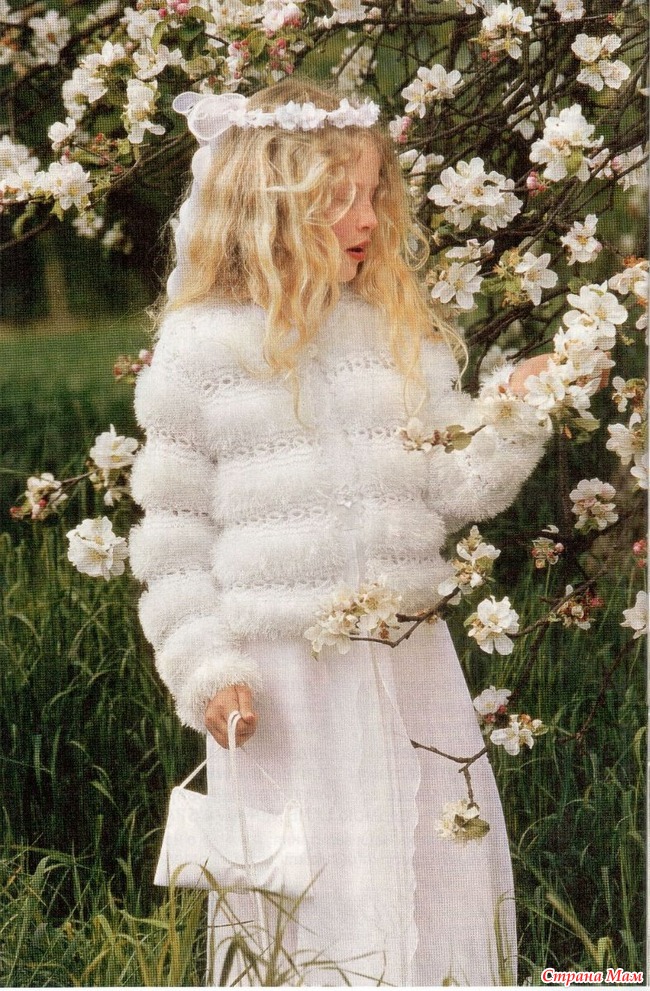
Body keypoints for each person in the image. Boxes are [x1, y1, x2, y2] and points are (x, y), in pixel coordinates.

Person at [129, 77, 553, 987]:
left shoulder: (395, 337)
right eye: (339, 197)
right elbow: (172, 540)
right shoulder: (201, 353)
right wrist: (207, 668)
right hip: (280, 688)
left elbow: (460, 483)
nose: (367, 217)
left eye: (374, 193)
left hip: (408, 660)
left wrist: (514, 411)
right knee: (308, 883)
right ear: (271, 208)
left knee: (432, 863)